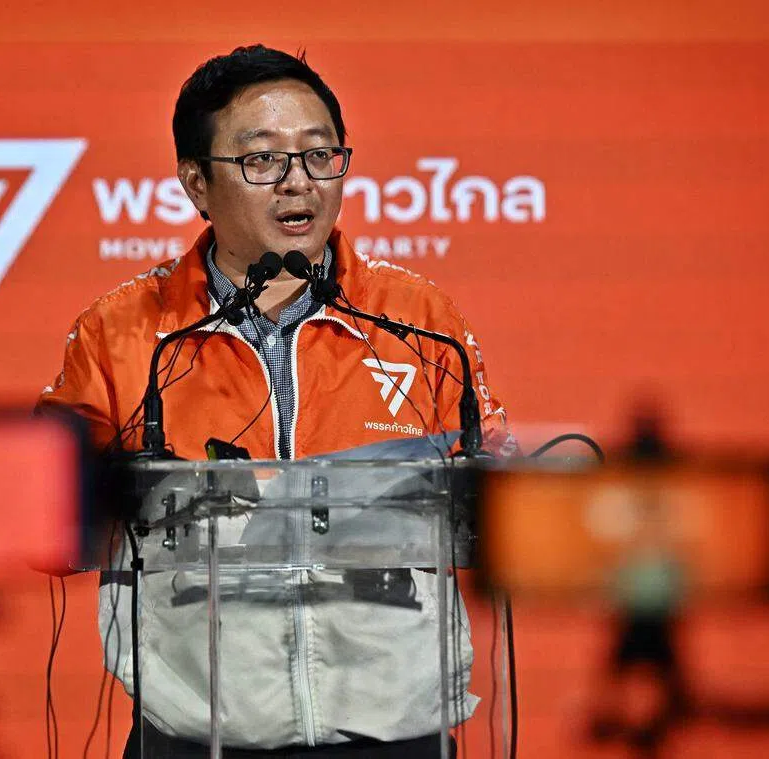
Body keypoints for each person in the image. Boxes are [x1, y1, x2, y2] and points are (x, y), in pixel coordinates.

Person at [37, 44, 516, 758]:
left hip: (393, 732)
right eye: (263, 160)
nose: (299, 183)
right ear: (197, 183)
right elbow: (42, 521)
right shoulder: (125, 333)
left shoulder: (420, 322)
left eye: (320, 156)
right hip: (195, 734)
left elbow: (501, 504)